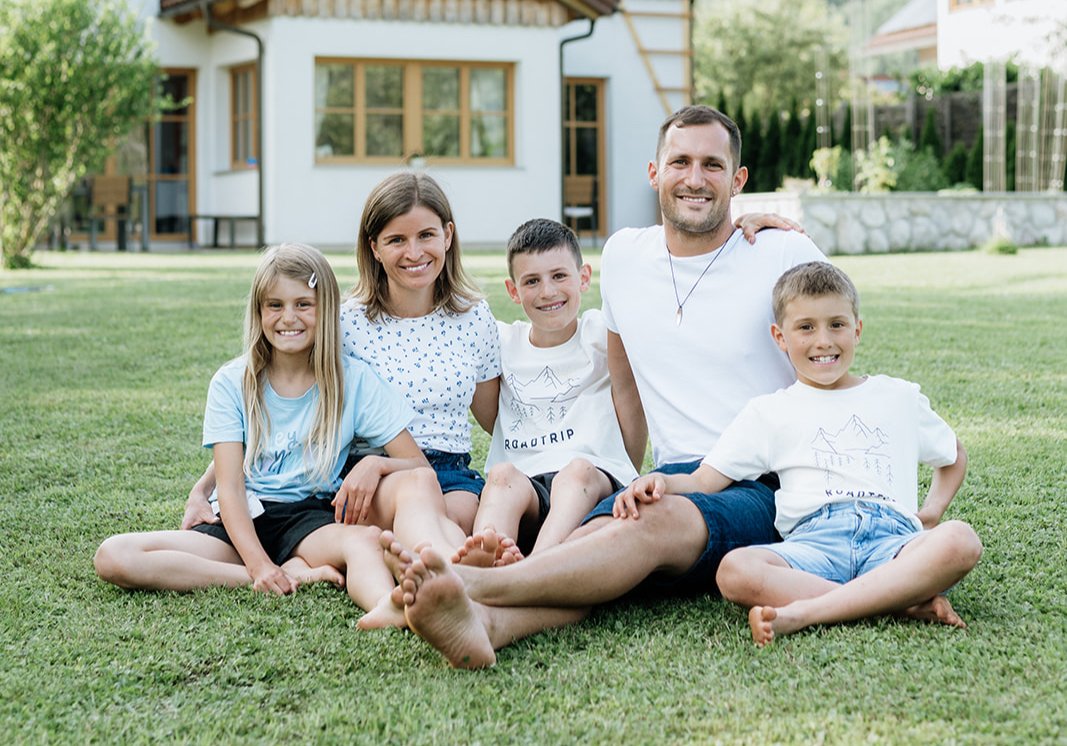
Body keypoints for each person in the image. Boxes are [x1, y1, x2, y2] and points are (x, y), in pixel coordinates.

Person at [386, 105, 830, 668]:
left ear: (738, 180)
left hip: (765, 484)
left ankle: (477, 588)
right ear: (655, 172)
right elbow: (623, 379)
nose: (695, 178)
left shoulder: (782, 252)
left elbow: (834, 359)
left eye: (713, 165)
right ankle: (488, 629)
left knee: (648, 524)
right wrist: (625, 470)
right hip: (673, 474)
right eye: (681, 162)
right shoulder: (624, 256)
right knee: (584, 551)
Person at [616, 261, 983, 645]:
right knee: (735, 570)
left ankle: (808, 612)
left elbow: (952, 454)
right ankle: (898, 601)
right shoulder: (769, 412)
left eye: (837, 325)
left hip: (893, 541)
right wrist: (660, 480)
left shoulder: (897, 396)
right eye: (806, 327)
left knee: (960, 539)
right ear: (780, 336)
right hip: (813, 545)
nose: (823, 340)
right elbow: (704, 479)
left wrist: (932, 512)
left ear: (857, 330)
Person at [94, 244, 434, 626]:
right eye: (275, 305)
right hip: (241, 519)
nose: (288, 317)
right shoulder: (231, 382)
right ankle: (283, 574)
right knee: (114, 554)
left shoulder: (353, 381)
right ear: (258, 312)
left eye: (304, 304)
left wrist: (374, 464)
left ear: (326, 311)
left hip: (309, 517)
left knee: (364, 541)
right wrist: (258, 567)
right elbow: (231, 488)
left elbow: (416, 465)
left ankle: (390, 608)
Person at [181, 172, 500, 540]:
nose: (414, 253)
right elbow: (272, 411)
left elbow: (497, 420)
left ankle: (445, 580)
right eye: (397, 240)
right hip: (361, 471)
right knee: (413, 528)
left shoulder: (475, 318)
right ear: (375, 248)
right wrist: (204, 487)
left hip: (449, 470)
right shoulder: (345, 322)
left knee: (454, 523)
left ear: (447, 235)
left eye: (425, 235)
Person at [453, 218, 639, 566]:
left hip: (594, 484)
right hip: (528, 488)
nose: (548, 292)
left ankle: (535, 569)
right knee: (501, 476)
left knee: (577, 472)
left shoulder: (600, 332)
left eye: (559, 276)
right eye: (532, 281)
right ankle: (487, 556)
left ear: (584, 278)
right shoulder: (501, 341)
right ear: (513, 290)